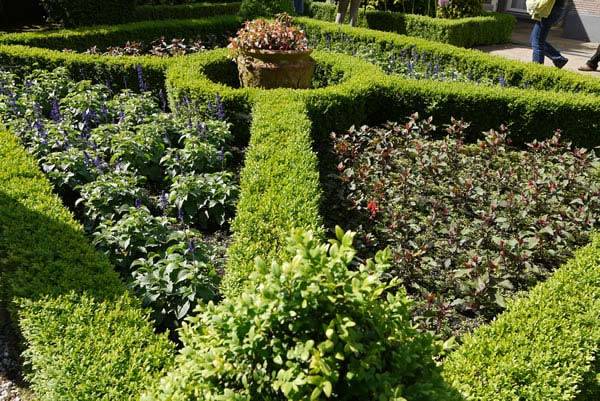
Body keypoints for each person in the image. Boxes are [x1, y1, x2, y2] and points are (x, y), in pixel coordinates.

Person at [527, 0, 569, 68]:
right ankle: (558, 59)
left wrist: (537, 6)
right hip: (554, 9)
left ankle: (537, 71)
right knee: (534, 39)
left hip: (549, 10)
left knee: (537, 42)